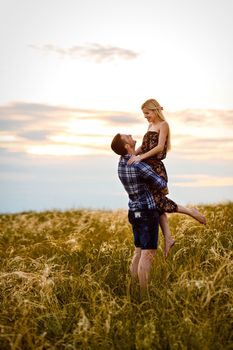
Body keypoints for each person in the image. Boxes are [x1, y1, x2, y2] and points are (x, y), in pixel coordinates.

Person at [127, 98, 206, 258]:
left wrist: (140, 158)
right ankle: (168, 238)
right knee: (157, 205)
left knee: (158, 203)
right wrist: (132, 156)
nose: (145, 117)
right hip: (148, 167)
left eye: (147, 113)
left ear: (155, 111)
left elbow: (159, 147)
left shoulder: (164, 125)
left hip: (156, 169)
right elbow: (144, 145)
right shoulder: (150, 125)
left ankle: (191, 212)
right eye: (144, 114)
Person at [111, 133, 167, 294]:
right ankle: (144, 294)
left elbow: (135, 154)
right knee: (148, 254)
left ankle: (133, 288)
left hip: (134, 211)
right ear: (127, 146)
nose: (129, 135)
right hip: (147, 212)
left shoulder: (122, 162)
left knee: (138, 252)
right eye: (126, 137)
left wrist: (140, 153)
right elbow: (161, 184)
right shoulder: (138, 165)